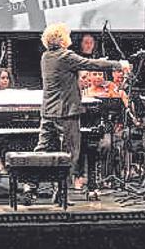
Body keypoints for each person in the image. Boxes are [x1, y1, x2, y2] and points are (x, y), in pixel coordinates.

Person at [32, 23, 130, 201]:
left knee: (42, 149)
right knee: (70, 154)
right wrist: (118, 64)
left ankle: (29, 186)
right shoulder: (65, 56)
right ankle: (61, 192)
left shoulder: (45, 56)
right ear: (62, 38)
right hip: (66, 113)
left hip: (48, 111)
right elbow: (91, 63)